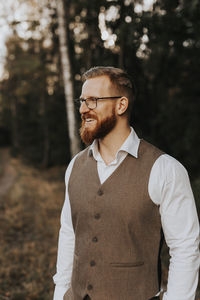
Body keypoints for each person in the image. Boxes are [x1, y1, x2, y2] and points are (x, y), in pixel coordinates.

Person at [53, 66, 200, 300]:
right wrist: (60, 293)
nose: (83, 109)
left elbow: (185, 249)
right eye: (81, 101)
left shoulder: (165, 169)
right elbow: (69, 233)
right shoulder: (75, 167)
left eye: (92, 101)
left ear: (121, 105)